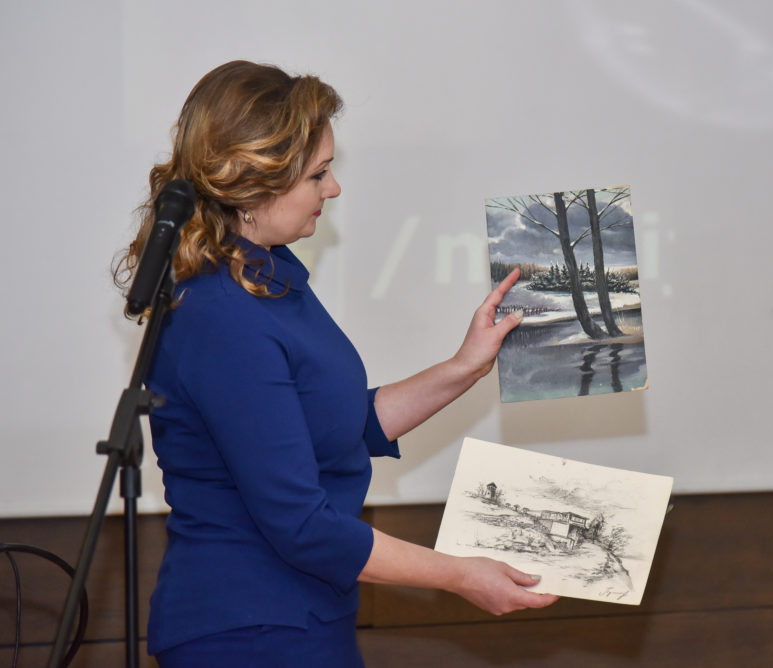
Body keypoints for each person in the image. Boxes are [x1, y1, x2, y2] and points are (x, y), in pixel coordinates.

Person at [114, 60, 558, 667]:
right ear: (254, 183)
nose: (334, 189)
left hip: (304, 615)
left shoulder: (268, 278)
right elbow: (302, 524)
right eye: (318, 174)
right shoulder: (221, 316)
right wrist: (459, 574)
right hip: (248, 631)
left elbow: (343, 424)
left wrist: (466, 366)